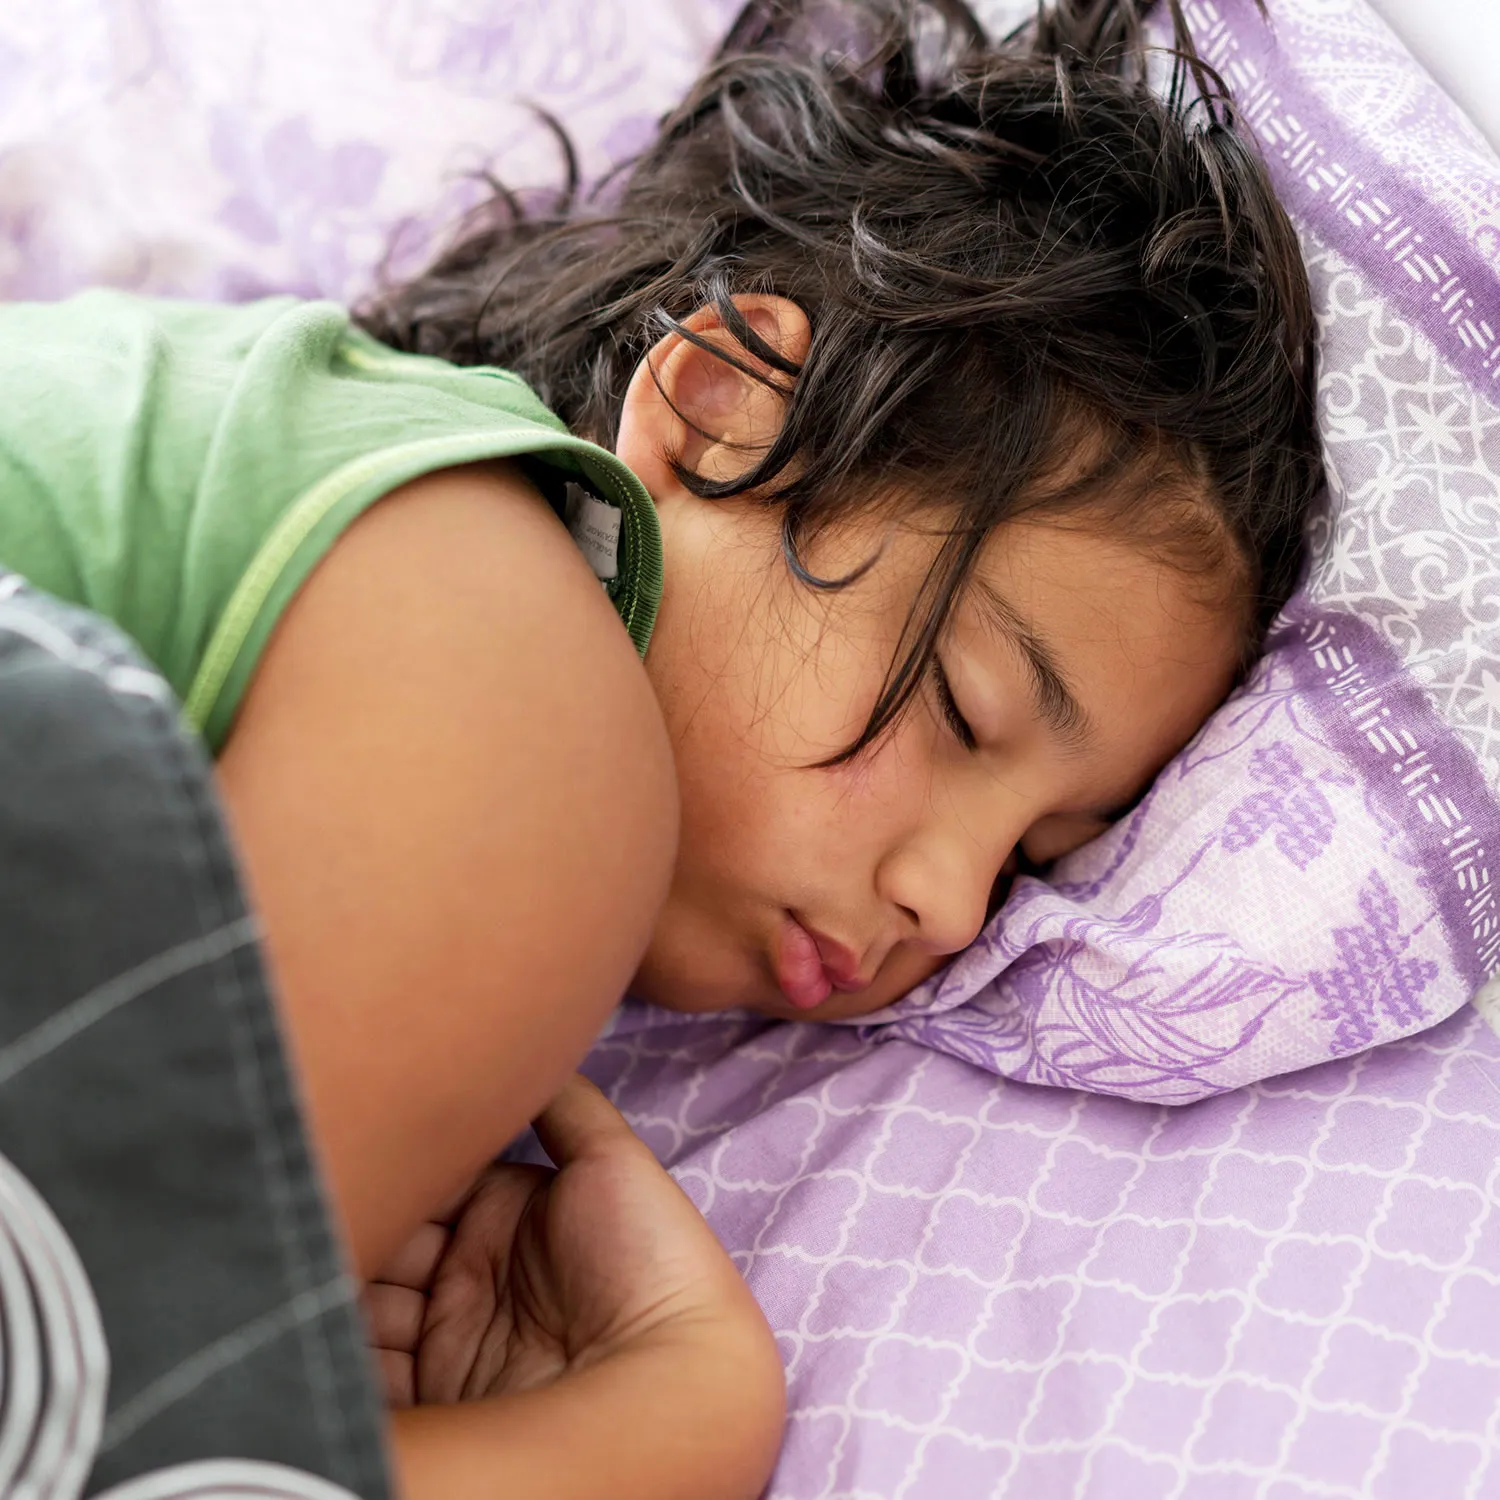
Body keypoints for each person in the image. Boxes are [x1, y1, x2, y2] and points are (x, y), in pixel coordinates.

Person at [0, 0, 1321, 1496]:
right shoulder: (528, 691)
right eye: (963, 709)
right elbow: (100, 1444)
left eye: (1033, 860)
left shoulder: (263, 460)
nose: (955, 909)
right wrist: (669, 1432)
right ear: (722, 412)